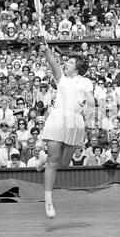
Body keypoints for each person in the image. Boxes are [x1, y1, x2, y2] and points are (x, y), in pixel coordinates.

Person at [36, 40, 95, 218]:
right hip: (58, 119)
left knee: (63, 163)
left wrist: (88, 102)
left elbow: (91, 100)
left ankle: (42, 158)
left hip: (76, 122)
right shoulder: (60, 78)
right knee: (54, 161)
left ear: (77, 67)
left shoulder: (85, 82)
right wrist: (46, 52)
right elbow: (53, 64)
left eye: (69, 62)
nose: (65, 64)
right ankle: (48, 202)